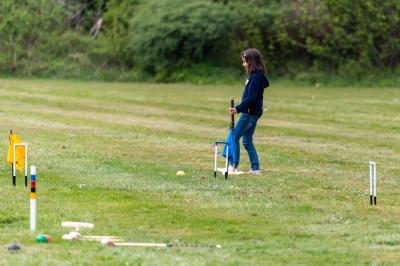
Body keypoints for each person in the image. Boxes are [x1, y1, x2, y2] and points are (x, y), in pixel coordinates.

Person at [229, 48, 269, 174]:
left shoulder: (257, 78)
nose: (243, 64)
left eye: (245, 61)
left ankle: (233, 166)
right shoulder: (254, 76)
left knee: (234, 137)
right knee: (247, 140)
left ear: (252, 62)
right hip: (253, 112)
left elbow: (251, 98)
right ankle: (255, 169)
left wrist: (238, 109)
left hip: (249, 112)